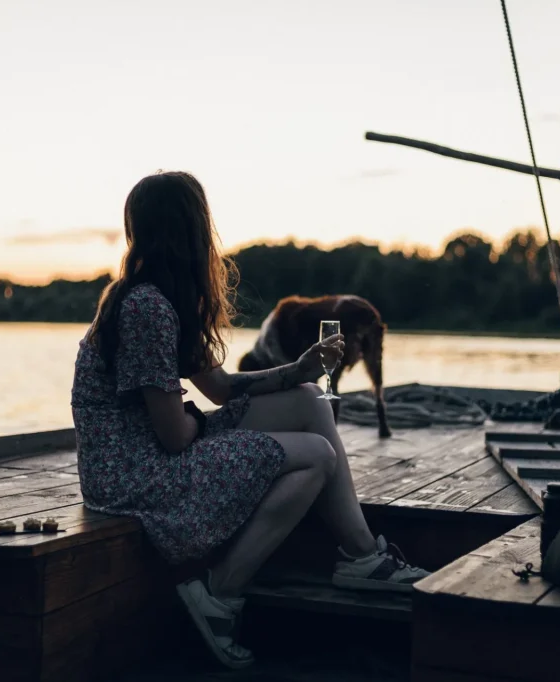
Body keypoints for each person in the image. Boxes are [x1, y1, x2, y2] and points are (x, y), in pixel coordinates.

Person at [70, 170, 429, 669]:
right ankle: (219, 593)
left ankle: (362, 556)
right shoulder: (146, 308)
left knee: (309, 399)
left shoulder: (159, 297)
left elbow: (217, 388)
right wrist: (200, 423)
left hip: (154, 448)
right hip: (133, 474)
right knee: (315, 458)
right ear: (193, 229)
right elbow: (175, 436)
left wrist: (298, 370)